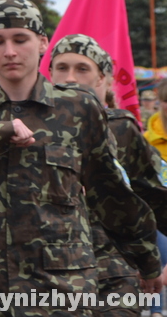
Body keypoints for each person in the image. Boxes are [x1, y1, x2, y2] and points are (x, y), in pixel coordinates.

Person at [0, 0, 161, 317]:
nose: (10, 51)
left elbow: (109, 192)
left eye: (20, 39)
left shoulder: (78, 110)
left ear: (42, 43)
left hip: (58, 290)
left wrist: (147, 260)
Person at [49, 34, 167, 316]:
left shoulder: (122, 130)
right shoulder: (28, 130)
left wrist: (153, 264)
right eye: (62, 68)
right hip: (47, 277)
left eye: (82, 68)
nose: (71, 77)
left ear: (102, 78)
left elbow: (159, 195)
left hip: (114, 275)